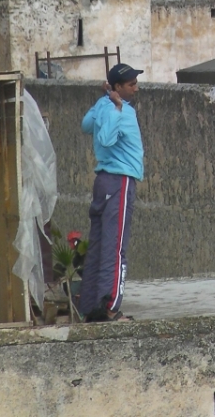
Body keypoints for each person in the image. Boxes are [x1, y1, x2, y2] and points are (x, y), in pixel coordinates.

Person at [78, 62, 144, 322]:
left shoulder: (103, 104)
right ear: (117, 87)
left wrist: (104, 100)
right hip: (120, 181)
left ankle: (92, 306)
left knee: (99, 245)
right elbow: (105, 139)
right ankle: (111, 307)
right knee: (116, 248)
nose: (136, 89)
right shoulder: (121, 110)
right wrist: (117, 108)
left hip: (103, 182)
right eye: (131, 85)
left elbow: (86, 125)